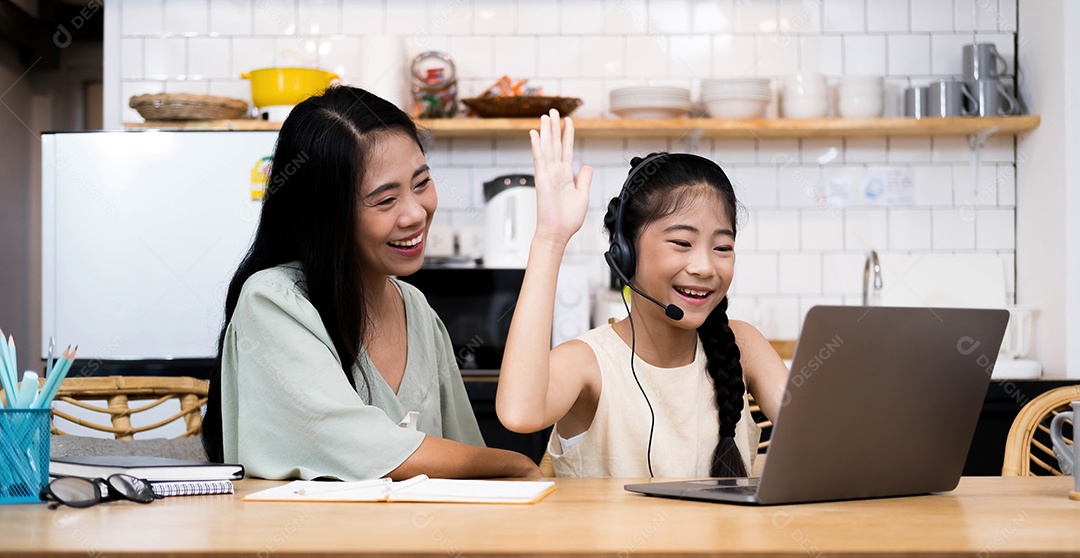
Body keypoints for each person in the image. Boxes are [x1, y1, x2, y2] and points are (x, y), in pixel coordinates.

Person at [201, 85, 540, 481]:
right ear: (326, 215)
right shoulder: (273, 302)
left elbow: (464, 449)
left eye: (421, 182)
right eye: (384, 200)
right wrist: (516, 462)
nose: (415, 213)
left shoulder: (416, 309)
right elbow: (360, 449)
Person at [496, 110, 789, 478]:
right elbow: (519, 413)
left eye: (722, 247)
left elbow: (820, 436)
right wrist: (550, 239)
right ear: (625, 253)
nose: (705, 267)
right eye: (682, 242)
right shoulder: (589, 363)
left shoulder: (743, 344)